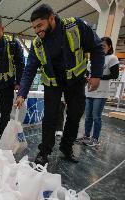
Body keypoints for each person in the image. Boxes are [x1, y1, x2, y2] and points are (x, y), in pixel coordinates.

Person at [15, 4, 104, 165]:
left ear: (51, 18)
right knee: (50, 117)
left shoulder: (75, 26)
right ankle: (44, 151)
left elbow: (97, 47)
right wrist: (22, 93)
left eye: (40, 25)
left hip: (76, 80)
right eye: (34, 27)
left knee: (75, 115)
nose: (37, 30)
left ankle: (66, 147)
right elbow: (29, 70)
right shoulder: (37, 44)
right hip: (53, 83)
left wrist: (96, 75)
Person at [82, 37, 119, 146]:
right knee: (87, 116)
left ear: (109, 46)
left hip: (101, 92)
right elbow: (88, 73)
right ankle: (86, 136)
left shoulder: (112, 58)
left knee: (96, 116)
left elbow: (114, 75)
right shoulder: (93, 59)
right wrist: (87, 78)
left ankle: (95, 138)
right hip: (89, 91)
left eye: (104, 46)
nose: (101, 48)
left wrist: (97, 77)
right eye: (100, 46)